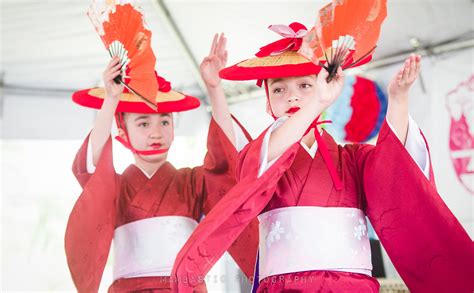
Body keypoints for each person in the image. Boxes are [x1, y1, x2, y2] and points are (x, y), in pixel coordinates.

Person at [172, 22, 473, 292]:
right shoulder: (264, 155)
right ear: (267, 102)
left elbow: (397, 173)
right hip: (285, 287)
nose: (292, 96)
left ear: (325, 86)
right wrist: (314, 100)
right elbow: (245, 163)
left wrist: (399, 100)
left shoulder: (353, 159)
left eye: (304, 85)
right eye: (279, 89)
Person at [65, 34, 258, 292]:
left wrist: (215, 89)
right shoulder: (115, 187)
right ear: (122, 131)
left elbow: (225, 160)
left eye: (164, 121)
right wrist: (111, 99)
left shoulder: (193, 182)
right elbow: (94, 170)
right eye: (143, 123)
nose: (156, 132)